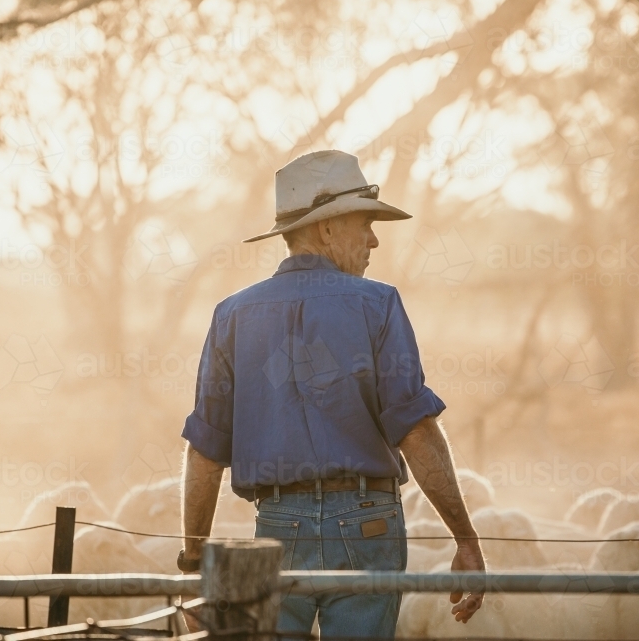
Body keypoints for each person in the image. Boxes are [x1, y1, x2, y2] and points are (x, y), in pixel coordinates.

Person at [178, 149, 485, 638]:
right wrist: (466, 540)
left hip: (276, 530)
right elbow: (415, 430)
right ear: (325, 229)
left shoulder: (232, 315)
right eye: (364, 224)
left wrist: (194, 558)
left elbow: (206, 450)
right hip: (369, 527)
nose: (374, 240)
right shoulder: (379, 305)